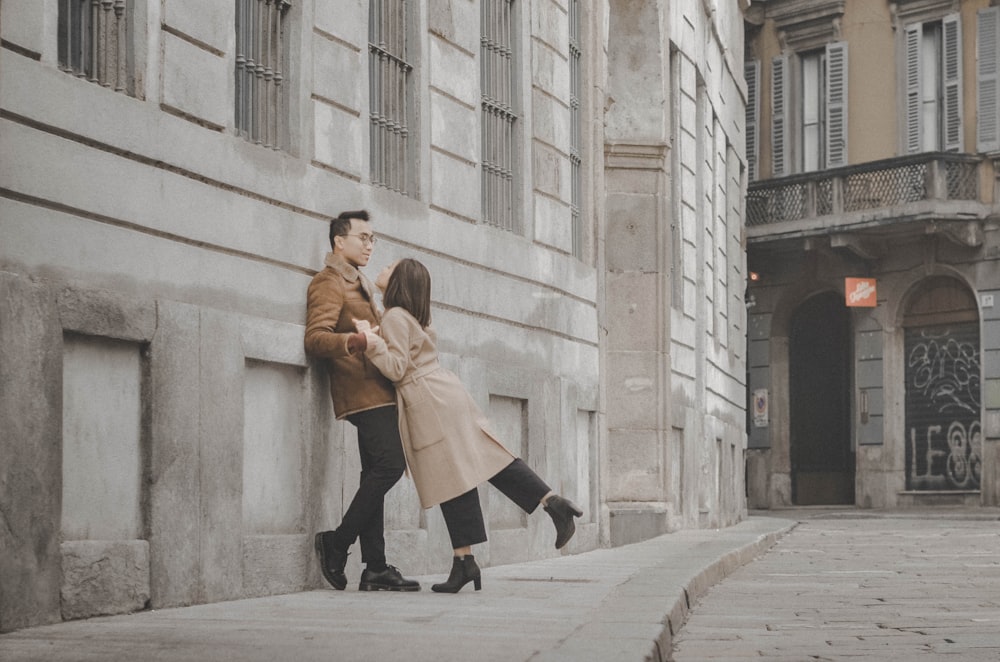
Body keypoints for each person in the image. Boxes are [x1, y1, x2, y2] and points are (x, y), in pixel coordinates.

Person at [352, 258, 583, 594]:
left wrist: (371, 344)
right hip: (443, 393)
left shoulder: (395, 316)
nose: (383, 268)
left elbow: (397, 368)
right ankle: (477, 554)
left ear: (400, 280)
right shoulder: (407, 316)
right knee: (475, 465)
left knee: (455, 473)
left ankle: (539, 514)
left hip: (429, 400)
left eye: (390, 267)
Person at [304, 210, 420, 592]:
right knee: (390, 466)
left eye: (373, 239)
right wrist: (355, 341)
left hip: (379, 390)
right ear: (340, 241)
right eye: (363, 237)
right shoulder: (329, 282)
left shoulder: (359, 281)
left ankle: (375, 567)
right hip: (362, 394)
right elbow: (316, 338)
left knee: (375, 473)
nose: (370, 245)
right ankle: (336, 543)